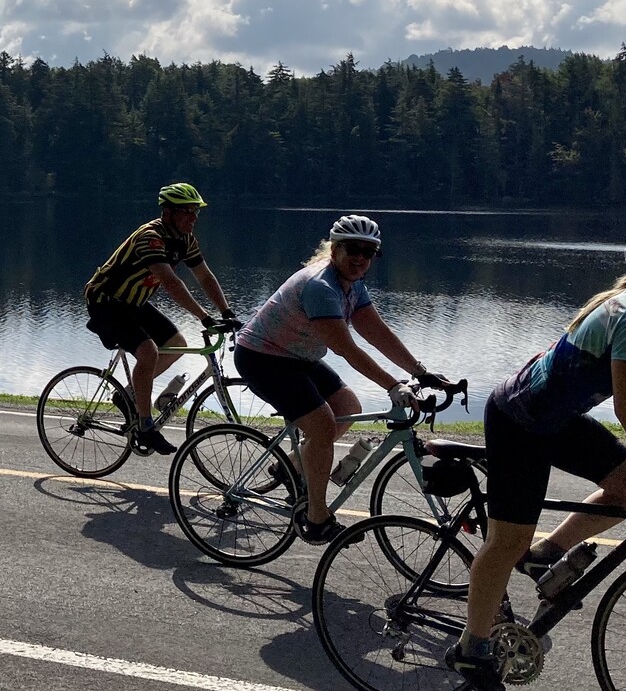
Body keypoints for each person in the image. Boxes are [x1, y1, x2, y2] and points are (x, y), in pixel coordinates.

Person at [446, 218, 626, 691]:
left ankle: (544, 554)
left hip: (555, 420)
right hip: (519, 422)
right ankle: (472, 649)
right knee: (505, 540)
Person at [233, 215, 451, 543]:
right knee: (321, 425)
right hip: (262, 358)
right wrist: (393, 385)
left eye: (369, 252)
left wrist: (418, 371)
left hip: (297, 357)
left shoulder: (352, 284)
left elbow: (375, 330)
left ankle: (291, 465)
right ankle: (316, 518)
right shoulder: (320, 286)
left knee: (348, 405)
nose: (361, 257)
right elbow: (348, 349)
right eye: (353, 249)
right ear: (335, 250)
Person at [83, 182, 238, 455]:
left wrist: (227, 312)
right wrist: (204, 317)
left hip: (134, 302)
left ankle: (128, 395)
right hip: (106, 301)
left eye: (196, 212)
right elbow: (171, 283)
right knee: (148, 352)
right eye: (186, 212)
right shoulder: (150, 237)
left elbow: (204, 276)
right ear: (168, 213)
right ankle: (145, 424)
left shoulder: (185, 239)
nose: (193, 218)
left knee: (177, 344)